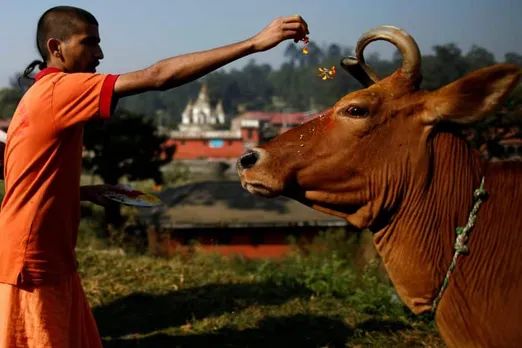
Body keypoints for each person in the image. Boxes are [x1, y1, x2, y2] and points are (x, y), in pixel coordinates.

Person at [0, 5, 309, 347]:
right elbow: (158, 76)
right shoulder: (61, 90)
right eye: (89, 43)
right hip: (33, 261)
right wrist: (253, 44)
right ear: (56, 48)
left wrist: (86, 192)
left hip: (43, 255)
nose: (100, 54)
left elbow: (24, 178)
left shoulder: (39, 95)